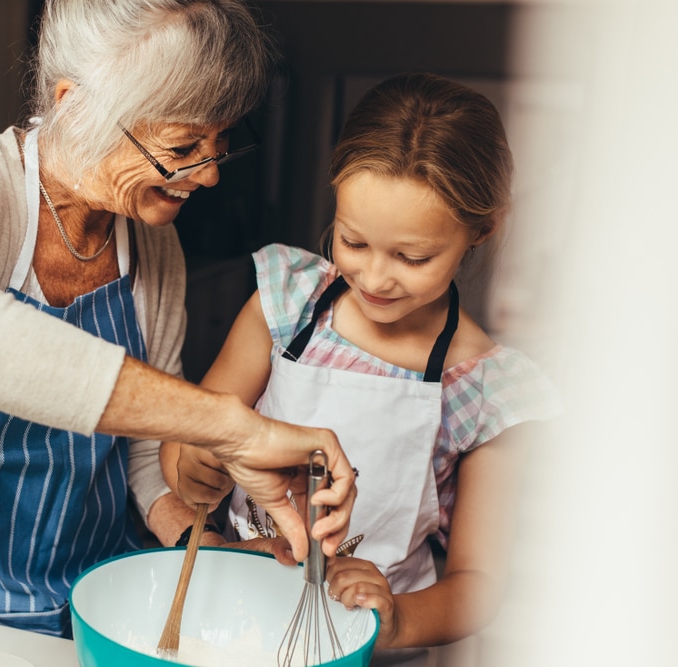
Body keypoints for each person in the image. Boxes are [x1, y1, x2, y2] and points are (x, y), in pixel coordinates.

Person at [0, 0, 358, 639]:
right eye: (183, 145)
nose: (211, 173)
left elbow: (140, 453)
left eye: (221, 143)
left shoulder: (151, 243)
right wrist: (230, 425)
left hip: (82, 612)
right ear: (74, 103)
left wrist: (203, 541)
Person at [161, 71, 561, 665]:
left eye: (413, 256)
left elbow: (478, 585)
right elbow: (186, 449)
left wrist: (395, 620)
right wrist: (194, 466)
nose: (375, 278)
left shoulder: (486, 388)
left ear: (482, 229)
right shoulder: (285, 303)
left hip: (372, 654)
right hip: (233, 627)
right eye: (353, 242)